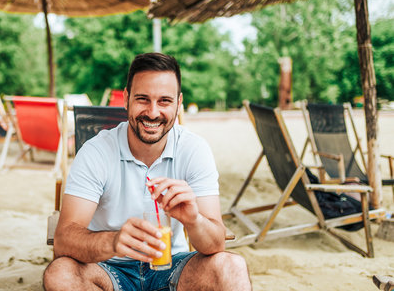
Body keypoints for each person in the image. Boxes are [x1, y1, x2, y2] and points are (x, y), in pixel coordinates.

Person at [43, 53, 251, 290]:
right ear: (126, 99)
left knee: (232, 267)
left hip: (172, 266)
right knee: (60, 273)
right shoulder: (96, 151)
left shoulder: (194, 149)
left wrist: (194, 220)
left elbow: (215, 245)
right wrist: (114, 241)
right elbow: (63, 240)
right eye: (143, 99)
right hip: (107, 268)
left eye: (164, 101)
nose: (153, 113)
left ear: (178, 103)